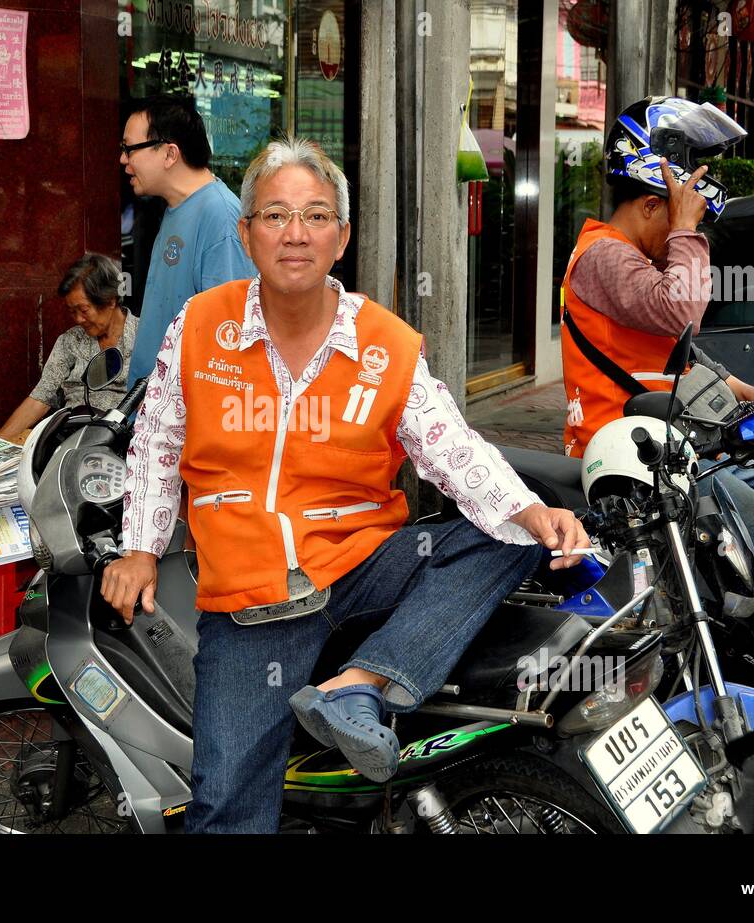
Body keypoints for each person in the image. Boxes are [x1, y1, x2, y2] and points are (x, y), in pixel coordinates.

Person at [102, 137, 591, 833]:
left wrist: (531, 509)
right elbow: (156, 441)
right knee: (226, 810)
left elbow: (448, 445)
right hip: (251, 600)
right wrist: (141, 547)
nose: (295, 233)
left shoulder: (384, 342)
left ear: (343, 237)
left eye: (316, 216)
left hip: (362, 569)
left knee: (510, 531)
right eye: (274, 215)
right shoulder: (201, 327)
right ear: (246, 234)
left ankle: (358, 685)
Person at [559, 96, 754, 596]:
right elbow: (680, 310)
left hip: (668, 445)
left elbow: (673, 341)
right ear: (651, 205)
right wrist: (685, 229)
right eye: (671, 217)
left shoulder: (629, 259)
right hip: (628, 457)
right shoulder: (603, 256)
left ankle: (736, 619)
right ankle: (721, 634)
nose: (680, 238)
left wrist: (737, 386)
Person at [120, 95, 255, 385]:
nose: (123, 160)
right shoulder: (174, 207)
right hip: (153, 407)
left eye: (129, 148)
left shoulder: (219, 214)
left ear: (170, 154)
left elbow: (227, 335)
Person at [0, 253, 138, 442]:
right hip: (71, 436)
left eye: (84, 310)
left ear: (111, 300)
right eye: (72, 312)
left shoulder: (144, 337)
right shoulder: (70, 341)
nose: (79, 319)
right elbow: (40, 398)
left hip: (122, 440)